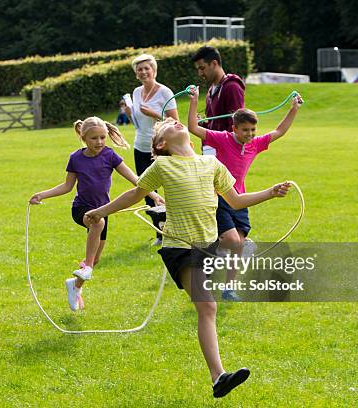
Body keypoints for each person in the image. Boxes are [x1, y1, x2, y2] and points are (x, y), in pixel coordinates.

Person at [85, 117, 291, 398]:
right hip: (180, 248)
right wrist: (102, 211)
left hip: (205, 246)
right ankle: (219, 376)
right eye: (168, 125)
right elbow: (135, 193)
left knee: (209, 304)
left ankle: (218, 376)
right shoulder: (163, 165)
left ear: (191, 141)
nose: (176, 122)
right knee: (208, 307)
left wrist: (270, 192)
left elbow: (236, 200)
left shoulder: (212, 164)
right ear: (161, 144)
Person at [29, 116, 163, 311]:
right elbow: (67, 186)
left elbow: (134, 178)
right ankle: (88, 268)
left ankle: (75, 286)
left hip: (103, 210)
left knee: (97, 255)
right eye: (94, 138)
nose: (99, 142)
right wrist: (42, 194)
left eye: (102, 137)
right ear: (84, 138)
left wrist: (153, 195)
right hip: (81, 209)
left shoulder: (110, 155)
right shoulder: (75, 158)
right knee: (97, 224)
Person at [188, 86, 303, 301]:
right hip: (219, 196)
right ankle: (213, 249)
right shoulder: (222, 138)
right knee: (232, 241)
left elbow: (279, 131)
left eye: (253, 130)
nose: (249, 134)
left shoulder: (255, 144)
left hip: (241, 198)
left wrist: (293, 109)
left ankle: (229, 289)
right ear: (234, 128)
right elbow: (194, 128)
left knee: (238, 245)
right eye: (245, 130)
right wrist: (194, 100)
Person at [125, 53, 178, 246]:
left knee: (170, 187)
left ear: (154, 70)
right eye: (140, 69)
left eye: (147, 68)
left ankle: (175, 230)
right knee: (146, 189)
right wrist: (131, 114)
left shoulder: (165, 92)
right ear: (136, 74)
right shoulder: (136, 92)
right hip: (141, 146)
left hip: (162, 147)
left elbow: (175, 123)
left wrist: (155, 114)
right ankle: (159, 232)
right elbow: (139, 123)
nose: (143, 72)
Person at [191, 45, 246, 156]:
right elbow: (215, 126)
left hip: (226, 156)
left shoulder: (232, 87)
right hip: (211, 154)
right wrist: (201, 124)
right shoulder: (211, 90)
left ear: (214, 64)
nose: (200, 74)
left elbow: (237, 125)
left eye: (202, 68)